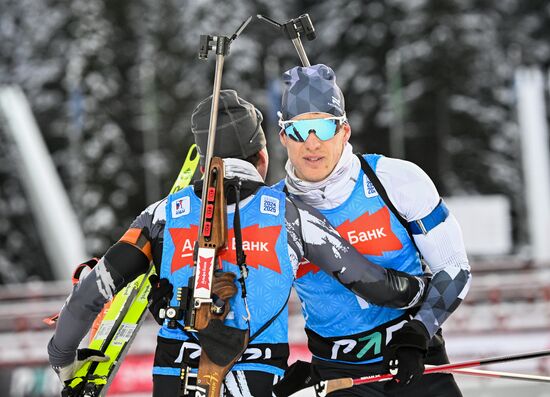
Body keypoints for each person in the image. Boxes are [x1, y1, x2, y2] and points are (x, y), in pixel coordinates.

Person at [47, 89, 428, 397]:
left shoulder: (161, 215)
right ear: (262, 156)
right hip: (261, 376)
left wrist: (62, 358)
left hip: (174, 373)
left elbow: (90, 294)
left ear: (199, 164)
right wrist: (420, 289)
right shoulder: (290, 215)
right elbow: (372, 282)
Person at [273, 65, 471, 396]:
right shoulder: (274, 211)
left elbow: (455, 269)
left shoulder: (396, 181)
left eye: (323, 126)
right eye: (298, 129)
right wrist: (277, 367)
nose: (311, 143)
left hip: (412, 355)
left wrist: (420, 331)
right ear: (282, 136)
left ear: (344, 131)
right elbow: (255, 297)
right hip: (339, 371)